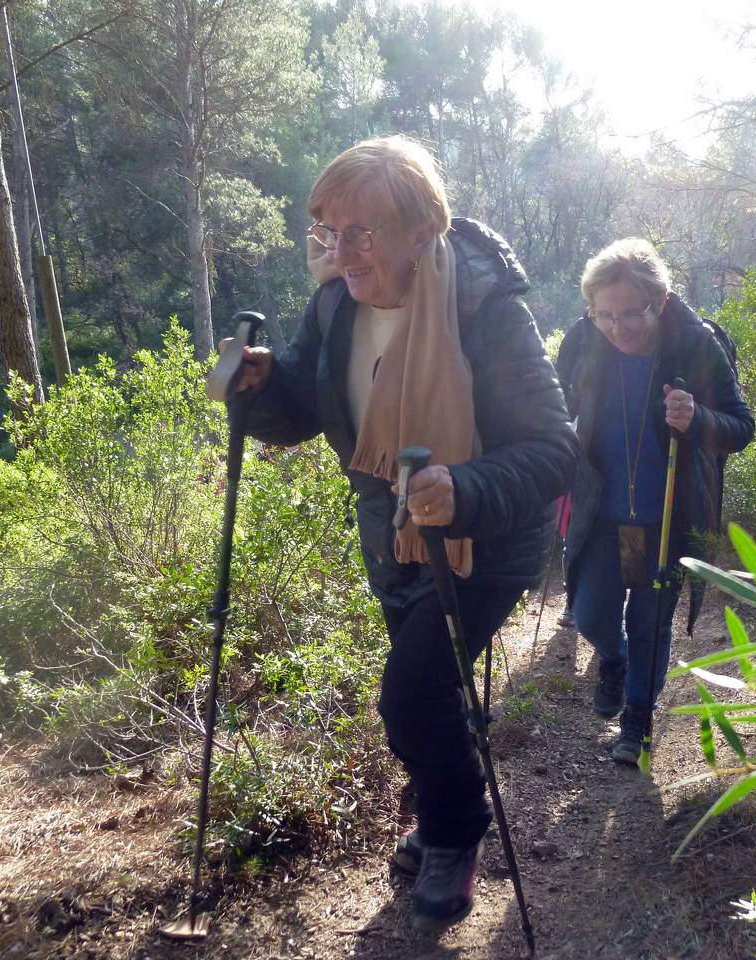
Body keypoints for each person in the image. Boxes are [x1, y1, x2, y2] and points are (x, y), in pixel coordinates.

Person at [221, 135, 576, 932]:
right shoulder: (335, 306)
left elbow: (556, 451)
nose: (341, 252)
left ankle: (454, 833)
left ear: (422, 232)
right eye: (329, 230)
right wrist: (265, 382)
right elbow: (307, 416)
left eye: (363, 232)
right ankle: (435, 812)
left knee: (409, 692)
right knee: (432, 691)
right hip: (393, 535)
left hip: (484, 539)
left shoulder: (486, 308)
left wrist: (464, 487)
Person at [556, 238, 753, 767]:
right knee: (593, 615)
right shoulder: (582, 343)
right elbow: (556, 407)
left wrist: (699, 420)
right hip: (601, 514)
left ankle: (637, 723)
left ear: (659, 302)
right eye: (604, 315)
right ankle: (613, 660)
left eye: (629, 314)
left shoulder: (696, 346)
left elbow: (741, 427)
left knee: (650, 622)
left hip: (668, 514)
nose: (616, 327)